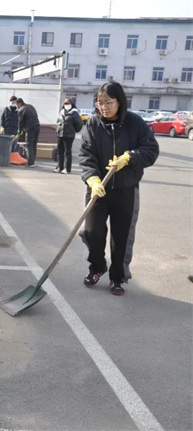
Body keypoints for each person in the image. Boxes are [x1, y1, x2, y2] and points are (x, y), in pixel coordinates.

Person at [79, 81, 159, 296]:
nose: (103, 107)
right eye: (100, 102)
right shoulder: (93, 125)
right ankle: (97, 267)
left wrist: (131, 157)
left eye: (108, 102)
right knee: (92, 232)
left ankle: (118, 277)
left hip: (126, 189)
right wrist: (92, 180)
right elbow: (86, 155)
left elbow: (151, 149)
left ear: (119, 101)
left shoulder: (135, 123)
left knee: (121, 236)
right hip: (99, 189)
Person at [55, 97, 84, 174]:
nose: (66, 105)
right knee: (60, 151)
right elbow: (58, 121)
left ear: (71, 104)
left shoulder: (74, 113)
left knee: (67, 152)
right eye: (65, 103)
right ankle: (59, 167)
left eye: (68, 103)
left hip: (69, 135)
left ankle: (67, 169)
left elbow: (79, 124)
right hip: (60, 134)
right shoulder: (61, 112)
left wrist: (74, 130)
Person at [15, 98, 40, 167]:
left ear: (19, 104)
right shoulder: (31, 106)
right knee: (34, 144)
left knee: (29, 145)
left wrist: (19, 131)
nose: (16, 107)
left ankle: (31, 163)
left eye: (16, 105)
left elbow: (20, 122)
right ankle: (33, 160)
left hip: (30, 129)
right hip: (37, 127)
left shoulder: (21, 110)